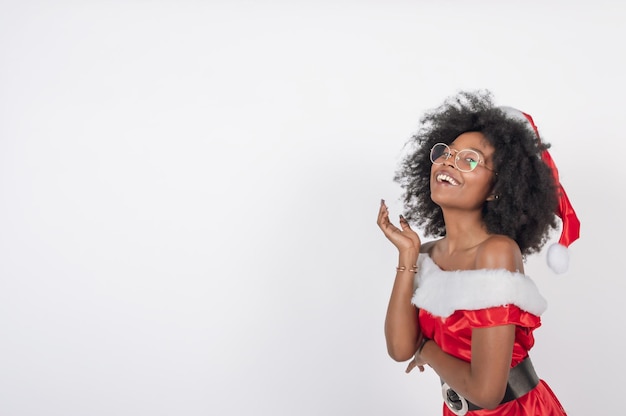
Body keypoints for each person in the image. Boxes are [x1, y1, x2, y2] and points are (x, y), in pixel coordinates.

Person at [376, 90, 579, 415]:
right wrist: (408, 256)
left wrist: (428, 352)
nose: (448, 162)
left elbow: (486, 392)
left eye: (469, 159)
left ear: (498, 190)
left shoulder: (496, 252)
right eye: (447, 152)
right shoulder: (426, 254)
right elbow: (400, 349)